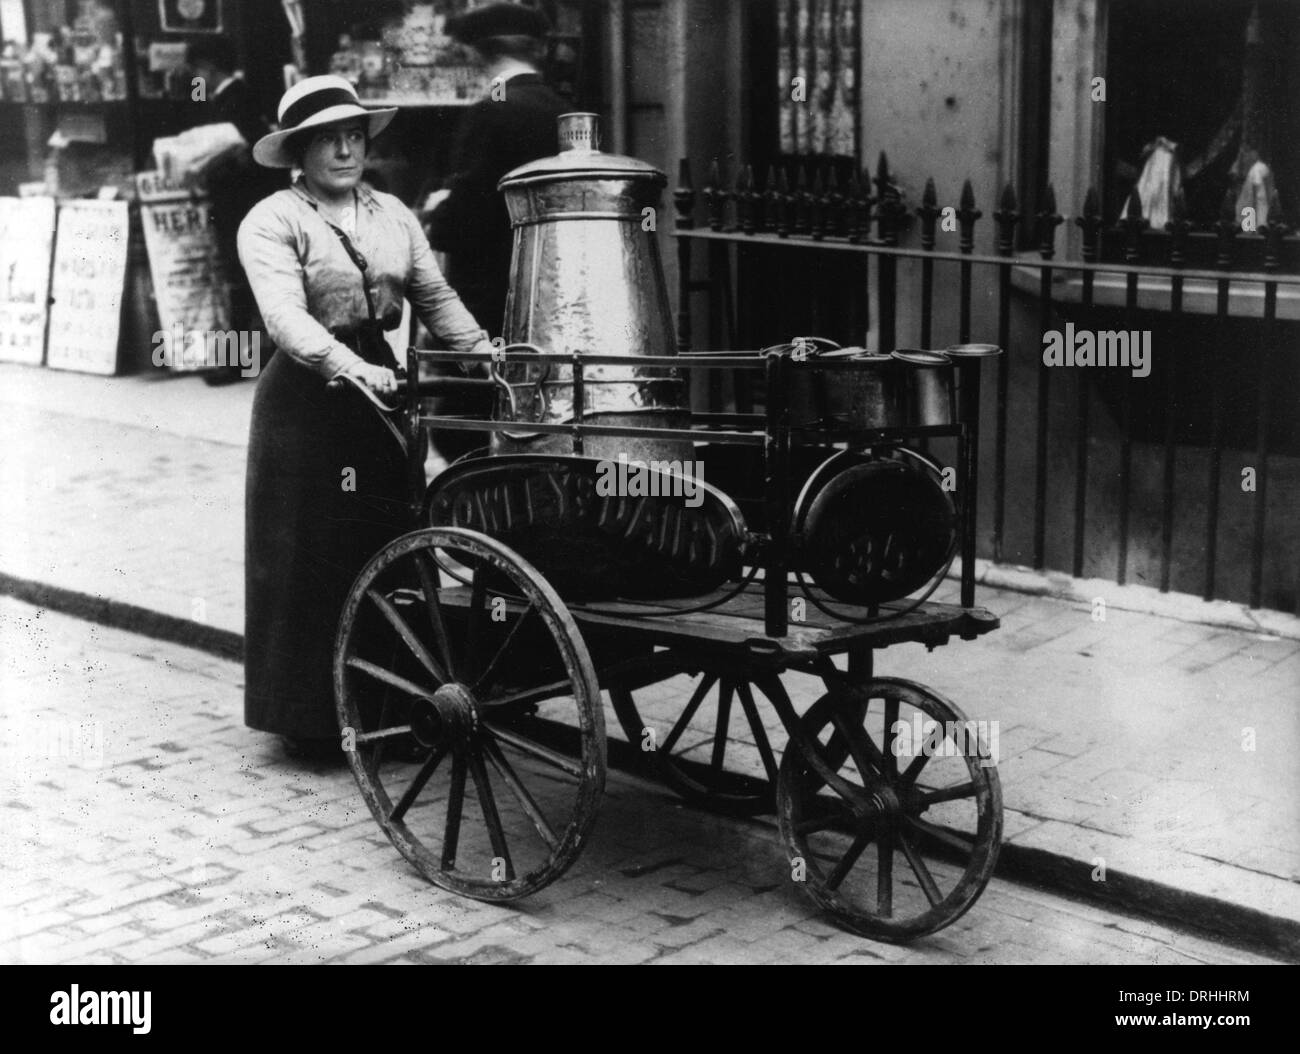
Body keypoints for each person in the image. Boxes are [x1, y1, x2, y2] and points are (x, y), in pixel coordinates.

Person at [238, 75, 495, 759]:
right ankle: (313, 721)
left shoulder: (392, 215)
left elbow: (434, 295)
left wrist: (483, 354)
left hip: (380, 393)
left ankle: (397, 707)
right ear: (299, 151)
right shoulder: (272, 220)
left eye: (355, 136)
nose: (347, 151)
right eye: (330, 140)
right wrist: (353, 368)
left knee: (388, 541)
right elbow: (286, 320)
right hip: (306, 401)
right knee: (312, 552)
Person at [422, 2, 568, 461]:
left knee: (464, 425)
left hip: (489, 297)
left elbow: (463, 220)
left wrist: (438, 211)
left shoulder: (489, 112)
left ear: (478, 54)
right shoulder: (563, 110)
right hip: (552, 293)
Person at [186, 35, 284, 383]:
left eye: (196, 71)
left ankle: (241, 360)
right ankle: (246, 357)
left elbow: (254, 153)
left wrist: (213, 167)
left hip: (240, 203)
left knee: (240, 280)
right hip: (237, 202)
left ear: (208, 68)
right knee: (240, 279)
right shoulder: (225, 97)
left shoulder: (236, 100)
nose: (194, 79)